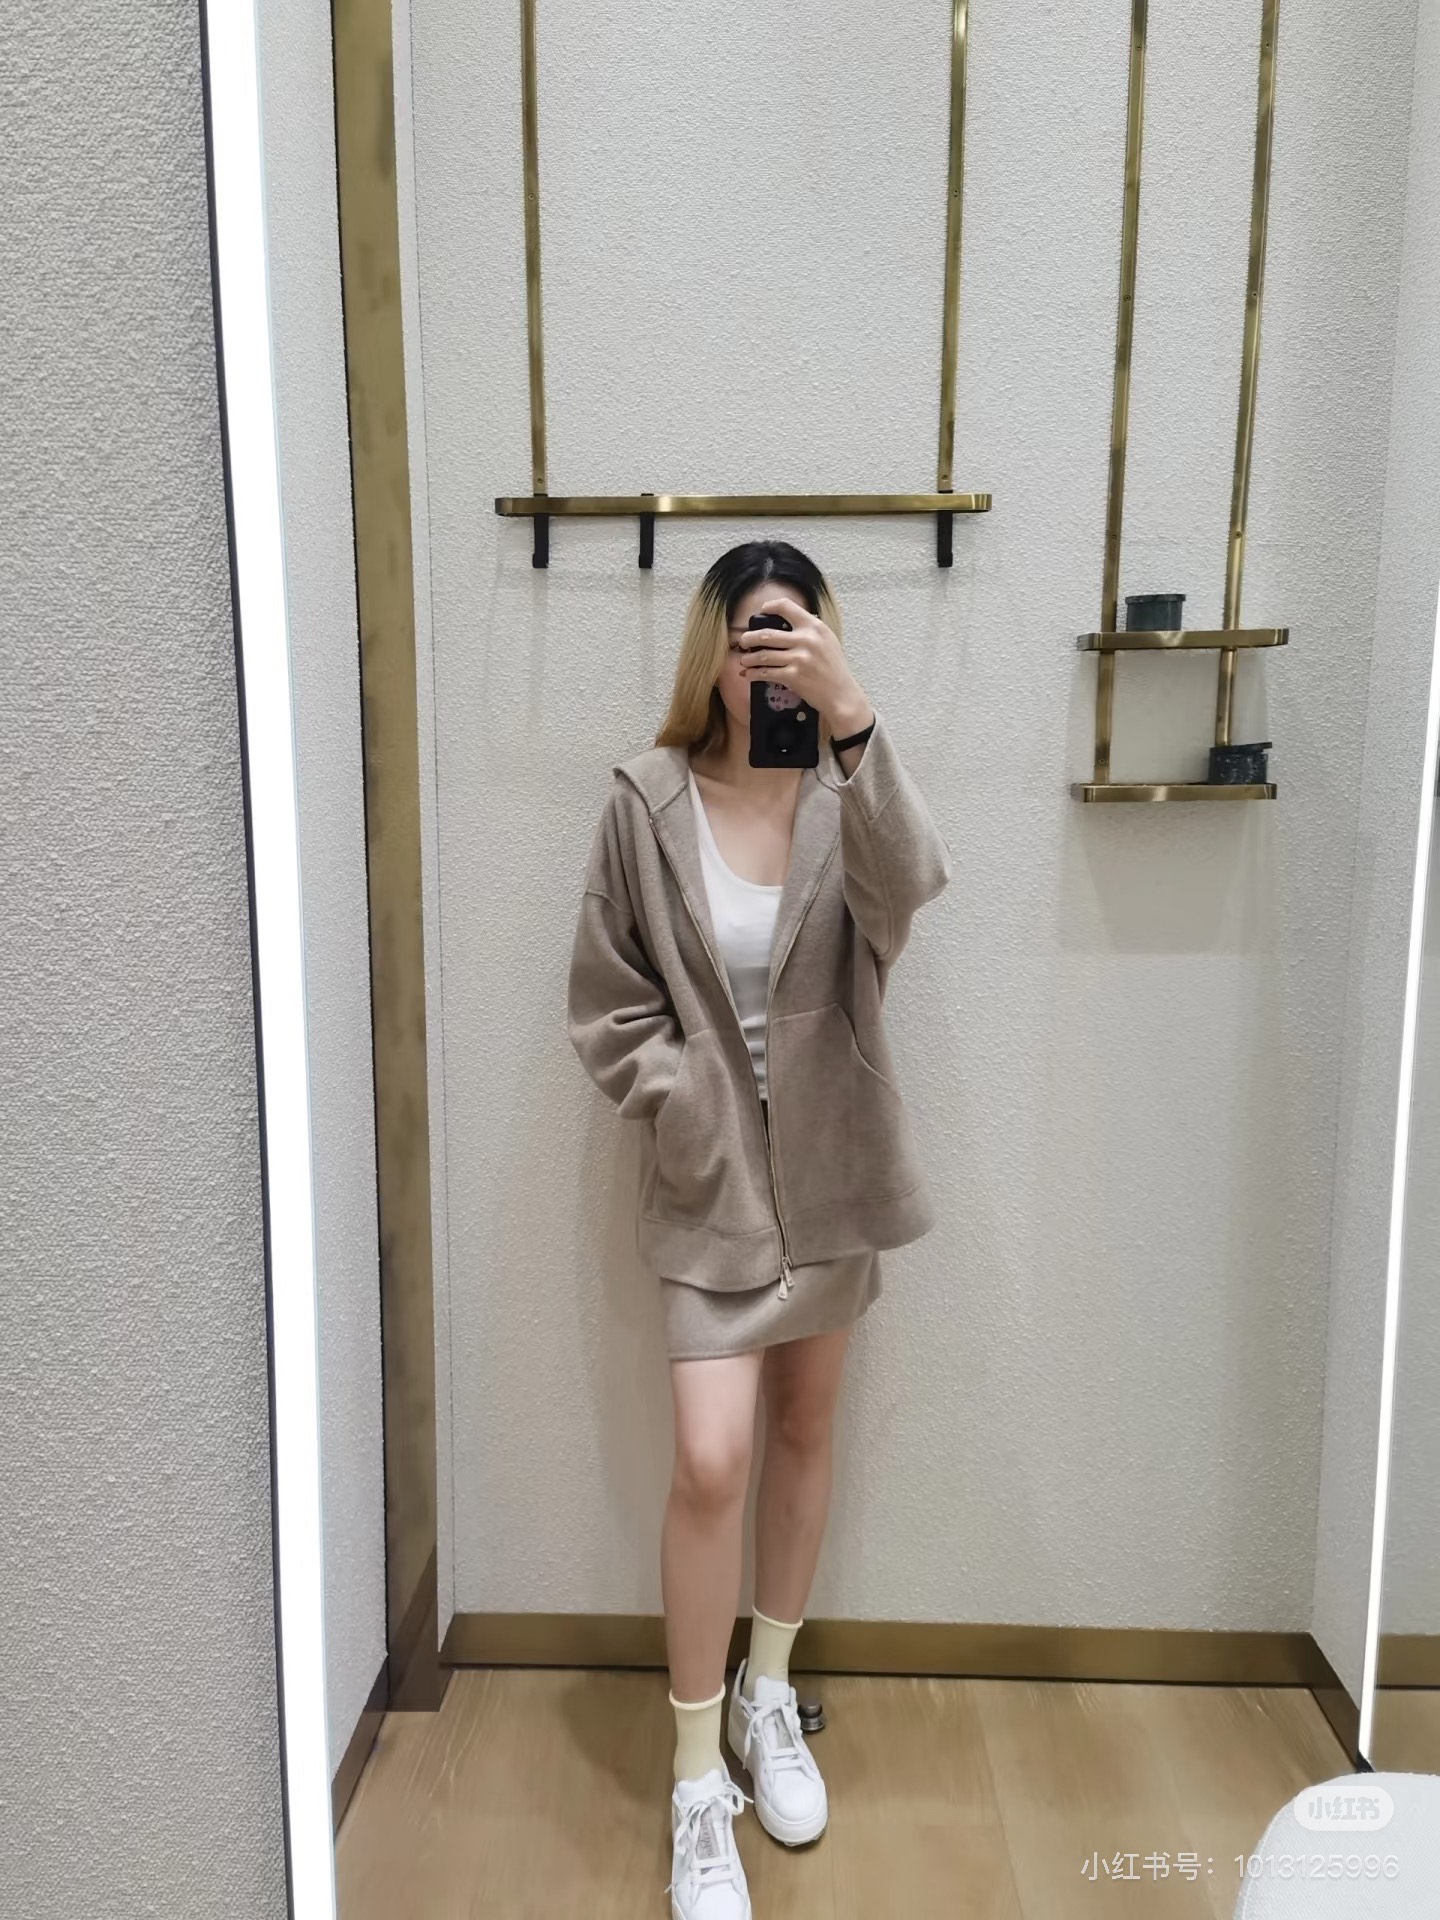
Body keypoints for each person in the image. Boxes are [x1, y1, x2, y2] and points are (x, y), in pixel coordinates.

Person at [566, 540, 952, 1919]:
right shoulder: (646, 800)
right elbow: (607, 1001)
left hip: (834, 1175)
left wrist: (857, 721)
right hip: (710, 1185)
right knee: (711, 1457)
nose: (771, 660)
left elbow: (910, 896)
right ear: (710, 651)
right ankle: (693, 1781)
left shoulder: (853, 795)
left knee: (803, 1430)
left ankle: (766, 1694)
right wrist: (682, 1103)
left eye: (797, 633)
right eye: (751, 636)